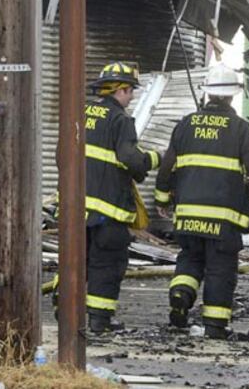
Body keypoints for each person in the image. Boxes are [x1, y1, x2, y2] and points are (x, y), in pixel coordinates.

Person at [154, 64, 249, 340]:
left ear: (207, 94)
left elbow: (166, 167)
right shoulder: (240, 128)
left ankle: (181, 293)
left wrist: (162, 198)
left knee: (190, 258)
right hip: (223, 218)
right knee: (219, 268)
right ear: (231, 96)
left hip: (188, 214)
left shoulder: (185, 124)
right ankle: (215, 326)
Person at [79, 61, 160, 333]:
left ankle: (63, 307)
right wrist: (152, 160)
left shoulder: (80, 112)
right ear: (121, 90)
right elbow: (129, 159)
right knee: (107, 264)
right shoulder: (121, 120)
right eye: (131, 90)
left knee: (76, 260)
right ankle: (100, 321)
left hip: (75, 206)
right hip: (108, 210)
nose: (133, 96)